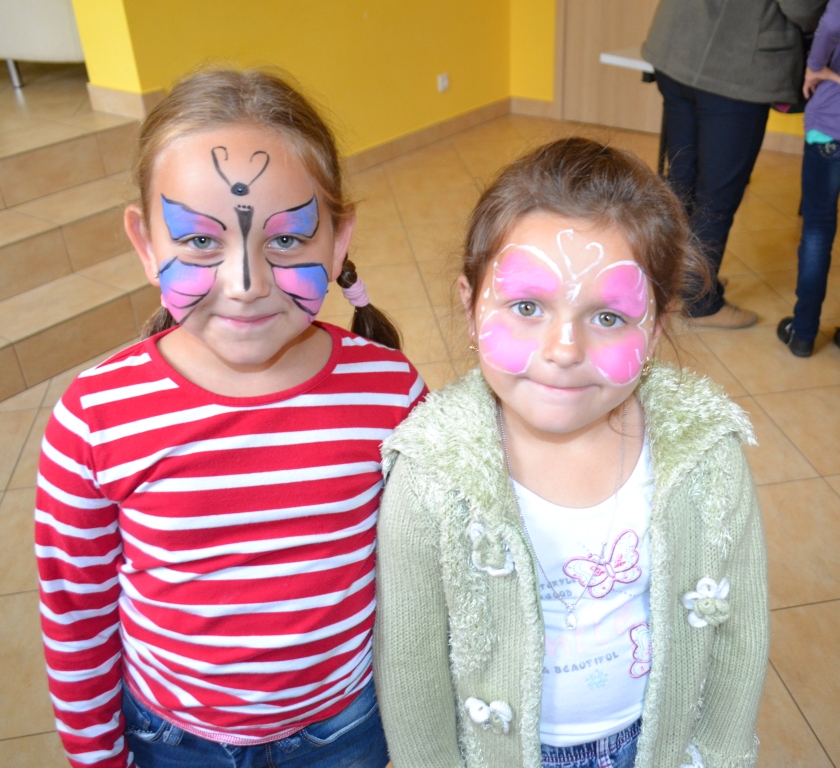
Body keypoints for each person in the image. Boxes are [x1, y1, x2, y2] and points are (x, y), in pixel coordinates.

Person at [35, 69, 426, 768]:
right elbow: (76, 614)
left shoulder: (391, 394)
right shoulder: (93, 419)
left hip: (344, 731)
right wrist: (96, 756)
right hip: (174, 741)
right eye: (199, 242)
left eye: (287, 241)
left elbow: (424, 574)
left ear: (338, 240)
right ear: (146, 244)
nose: (245, 286)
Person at [373, 138, 769, 768]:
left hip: (652, 746)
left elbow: (739, 633)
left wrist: (720, 755)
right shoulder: (430, 478)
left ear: (656, 329)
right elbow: (410, 671)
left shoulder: (706, 456)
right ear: (470, 308)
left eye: (607, 317)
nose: (563, 349)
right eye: (527, 307)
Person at [643, 0, 826, 328]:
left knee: (682, 178)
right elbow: (802, 8)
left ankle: (677, 281)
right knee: (716, 193)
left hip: (678, 44)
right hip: (735, 65)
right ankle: (700, 302)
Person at [778, 0, 840, 356]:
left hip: (832, 125)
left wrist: (816, 68)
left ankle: (803, 334)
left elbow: (831, 23)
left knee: (818, 229)